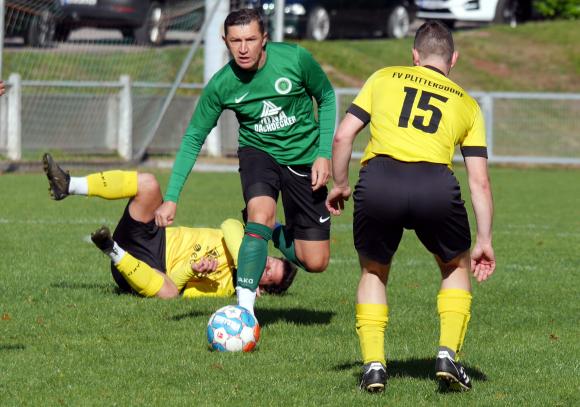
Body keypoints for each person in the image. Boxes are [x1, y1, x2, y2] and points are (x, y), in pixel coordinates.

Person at [326, 21, 495, 393]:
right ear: (454, 58)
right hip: (434, 184)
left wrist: (340, 184)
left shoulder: (384, 77)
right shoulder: (467, 103)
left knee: (373, 271)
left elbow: (343, 135)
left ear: (414, 56)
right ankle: (448, 354)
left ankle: (373, 366)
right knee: (455, 264)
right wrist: (484, 238)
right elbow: (479, 180)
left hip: (379, 180)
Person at [154, 9, 336, 315]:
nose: (243, 48)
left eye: (250, 39)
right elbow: (193, 138)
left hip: (304, 158)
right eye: (235, 40)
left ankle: (273, 230)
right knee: (259, 214)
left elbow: (328, 97)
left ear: (264, 39)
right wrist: (171, 198)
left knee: (315, 261)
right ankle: (244, 312)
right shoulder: (222, 85)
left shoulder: (295, 59)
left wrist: (324, 153)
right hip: (258, 153)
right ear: (224, 40)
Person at [42, 153, 297, 299]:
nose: (263, 266)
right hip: (154, 235)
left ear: (262, 288)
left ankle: (111, 249)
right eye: (270, 263)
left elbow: (179, 287)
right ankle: (69, 185)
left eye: (266, 274)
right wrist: (246, 266)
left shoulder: (226, 288)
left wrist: (193, 269)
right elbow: (229, 223)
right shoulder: (244, 240)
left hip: (144, 269)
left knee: (169, 293)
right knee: (149, 184)